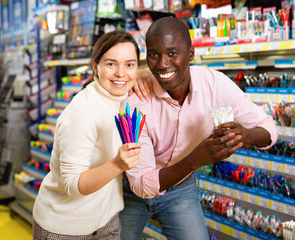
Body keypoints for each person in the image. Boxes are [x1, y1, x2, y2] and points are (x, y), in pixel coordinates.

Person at [119, 17, 278, 240]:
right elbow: (142, 184)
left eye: (172, 53)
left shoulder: (215, 84)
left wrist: (245, 134)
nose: (163, 64)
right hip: (129, 192)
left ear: (191, 54)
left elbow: (269, 130)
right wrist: (196, 160)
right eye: (154, 54)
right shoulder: (133, 104)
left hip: (179, 190)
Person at [32, 30, 142, 240]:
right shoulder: (82, 111)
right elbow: (72, 185)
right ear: (95, 66)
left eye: (129, 64)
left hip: (106, 222)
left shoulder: (125, 98)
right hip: (64, 229)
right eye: (111, 64)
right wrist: (117, 164)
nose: (121, 73)